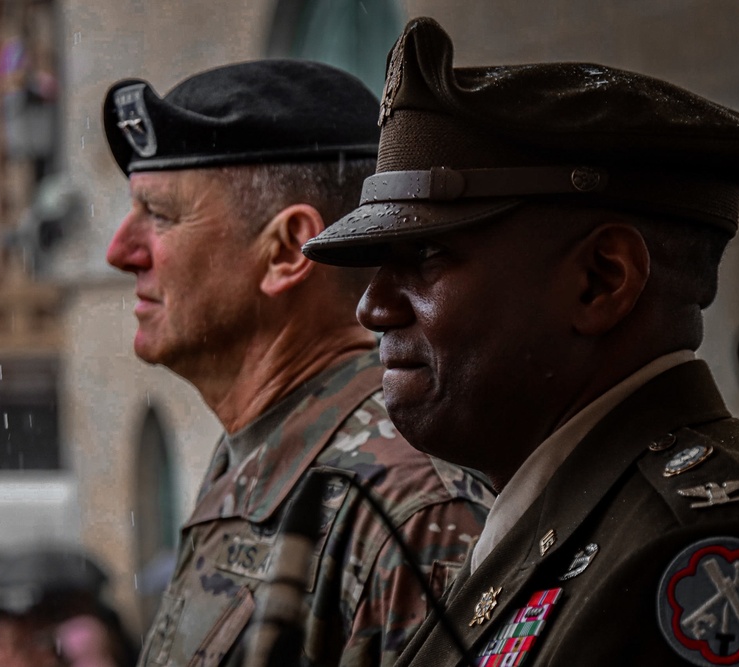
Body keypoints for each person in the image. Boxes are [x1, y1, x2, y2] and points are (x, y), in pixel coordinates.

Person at [303, 16, 739, 667]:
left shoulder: (687, 547)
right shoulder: (558, 520)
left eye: (424, 255)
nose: (373, 305)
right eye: (378, 264)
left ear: (601, 280)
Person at [103, 59, 494, 667]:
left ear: (286, 250)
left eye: (160, 216)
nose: (120, 252)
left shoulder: (408, 510)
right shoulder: (260, 454)